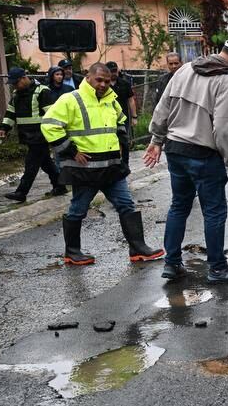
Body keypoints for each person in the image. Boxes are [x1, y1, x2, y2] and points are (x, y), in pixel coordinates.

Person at [144, 36, 228, 284]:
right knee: (214, 212)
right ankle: (217, 267)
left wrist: (156, 139)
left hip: (175, 150)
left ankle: (172, 264)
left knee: (179, 206)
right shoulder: (227, 81)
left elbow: (163, 106)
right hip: (203, 154)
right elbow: (225, 129)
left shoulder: (185, 69)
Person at [40, 62, 163, 266]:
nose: (103, 84)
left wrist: (123, 145)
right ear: (88, 77)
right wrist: (71, 151)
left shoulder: (111, 100)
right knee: (78, 210)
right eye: (99, 80)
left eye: (107, 81)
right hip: (86, 170)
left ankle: (138, 248)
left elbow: (120, 122)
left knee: (126, 205)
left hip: (112, 168)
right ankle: (72, 252)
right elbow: (49, 125)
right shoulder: (71, 100)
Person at [0, 67, 65, 202]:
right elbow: (10, 113)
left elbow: (51, 114)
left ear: (24, 78)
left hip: (40, 135)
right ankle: (60, 185)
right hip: (27, 135)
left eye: (16, 82)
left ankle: (21, 192)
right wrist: (4, 128)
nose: (15, 86)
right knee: (46, 163)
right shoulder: (17, 95)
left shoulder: (42, 91)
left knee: (31, 164)